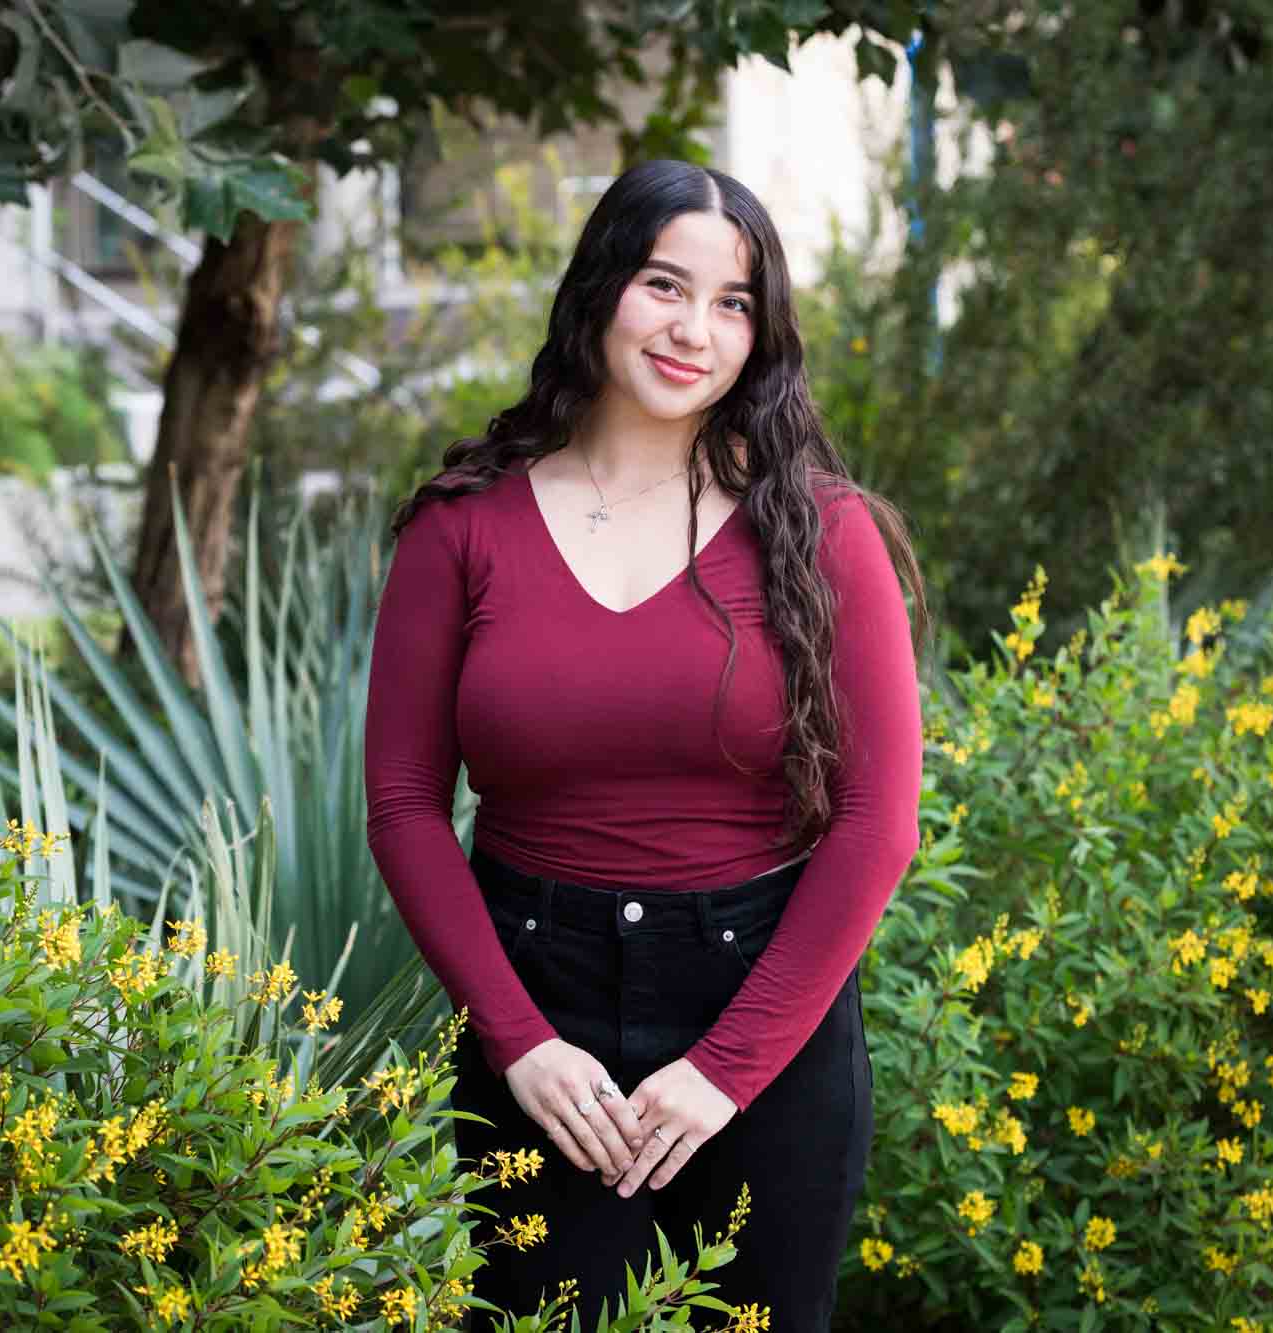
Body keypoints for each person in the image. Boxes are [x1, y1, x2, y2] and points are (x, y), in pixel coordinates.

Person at [363, 158, 927, 1332]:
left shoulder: (822, 532)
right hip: (540, 1013)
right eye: (665, 285)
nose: (694, 330)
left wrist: (726, 1066)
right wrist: (515, 1042)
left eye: (732, 304)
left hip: (764, 1016)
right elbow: (406, 805)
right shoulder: (460, 528)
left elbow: (878, 824)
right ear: (601, 288)